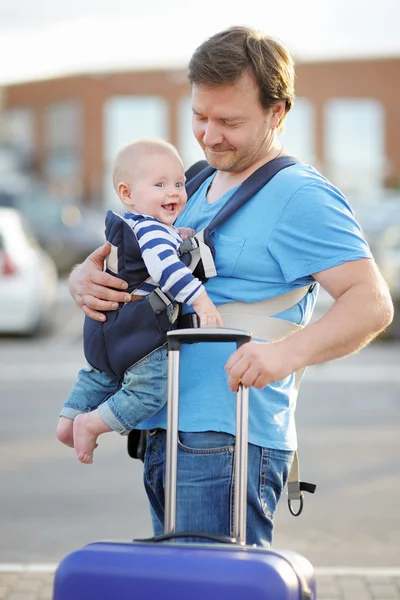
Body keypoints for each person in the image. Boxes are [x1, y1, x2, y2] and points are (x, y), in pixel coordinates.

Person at [68, 26, 393, 545]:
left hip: (228, 438)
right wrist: (82, 278)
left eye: (230, 121)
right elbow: (130, 260)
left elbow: (372, 303)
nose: (210, 135)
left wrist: (282, 356)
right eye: (200, 116)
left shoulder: (301, 195)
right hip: (162, 429)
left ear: (277, 111)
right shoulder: (189, 184)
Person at [57, 139, 222, 464]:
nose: (173, 192)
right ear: (127, 194)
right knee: (149, 392)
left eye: (177, 183)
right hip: (138, 338)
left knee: (98, 377)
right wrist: (200, 300)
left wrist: (180, 235)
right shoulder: (153, 232)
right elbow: (167, 269)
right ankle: (90, 425)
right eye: (160, 184)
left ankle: (68, 422)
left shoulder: (135, 225)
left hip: (106, 333)